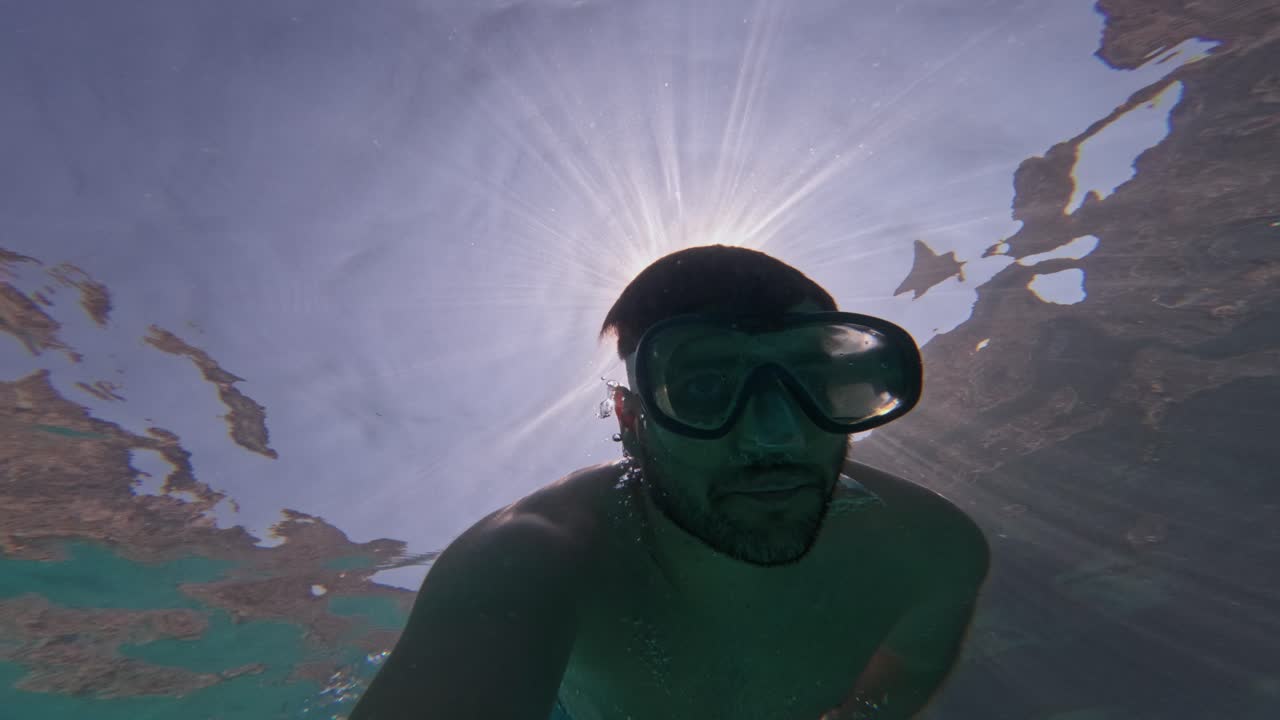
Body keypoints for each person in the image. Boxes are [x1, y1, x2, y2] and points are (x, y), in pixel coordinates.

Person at [350, 245, 989, 720]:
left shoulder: (935, 551)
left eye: (813, 383)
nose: (777, 436)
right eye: (705, 388)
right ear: (630, 421)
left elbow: (901, 679)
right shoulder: (529, 558)